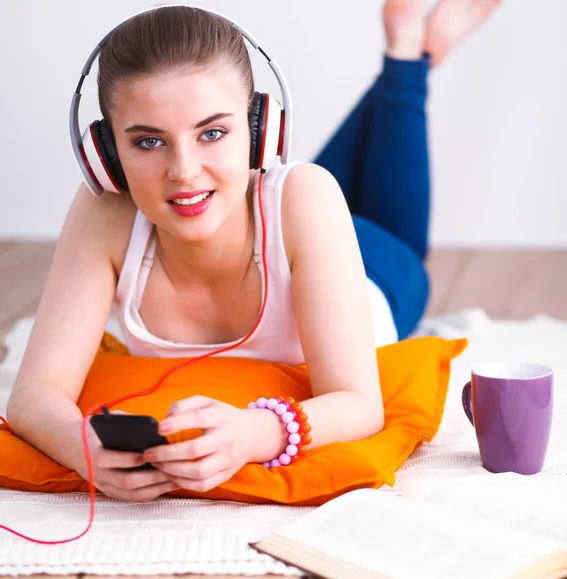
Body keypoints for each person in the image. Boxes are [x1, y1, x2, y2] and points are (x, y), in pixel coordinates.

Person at [5, 1, 500, 502]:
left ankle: (405, 54)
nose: (184, 170)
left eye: (212, 132)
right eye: (149, 142)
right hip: (261, 211)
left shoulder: (305, 196)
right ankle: (407, 50)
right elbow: (33, 395)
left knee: (353, 207)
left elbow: (360, 404)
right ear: (107, 155)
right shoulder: (104, 212)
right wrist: (78, 445)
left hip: (378, 269)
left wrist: (256, 433)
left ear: (261, 132)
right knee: (305, 185)